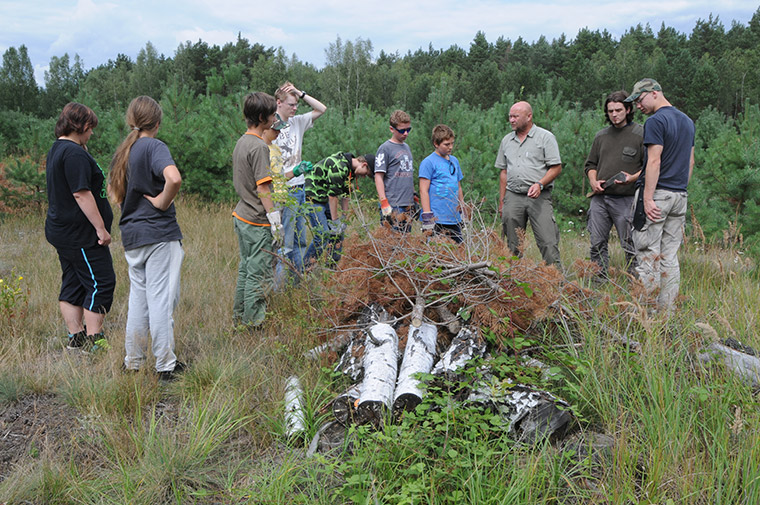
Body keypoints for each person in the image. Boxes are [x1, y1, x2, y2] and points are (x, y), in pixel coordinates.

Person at [108, 96, 185, 381]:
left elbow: (115, 194)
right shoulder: (154, 146)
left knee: (139, 301)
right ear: (156, 121)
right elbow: (174, 179)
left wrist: (133, 210)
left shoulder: (123, 152)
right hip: (158, 234)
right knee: (161, 301)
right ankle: (166, 365)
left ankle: (134, 363)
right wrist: (162, 202)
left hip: (133, 236)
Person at [44, 102, 115, 352]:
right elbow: (81, 194)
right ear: (82, 126)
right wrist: (101, 229)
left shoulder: (57, 149)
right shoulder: (73, 154)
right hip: (80, 234)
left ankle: (76, 339)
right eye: (90, 128)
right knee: (102, 282)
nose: (92, 133)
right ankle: (95, 341)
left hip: (62, 231)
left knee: (73, 282)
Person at [624, 78, 695, 312]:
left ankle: (647, 314)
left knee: (647, 255)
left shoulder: (656, 121)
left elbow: (654, 160)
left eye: (639, 99)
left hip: (657, 195)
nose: (637, 106)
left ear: (654, 93)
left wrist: (647, 198)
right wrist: (680, 189)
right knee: (669, 257)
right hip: (679, 196)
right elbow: (690, 161)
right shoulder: (687, 121)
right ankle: (667, 312)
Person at [584, 90, 644, 278]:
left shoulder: (640, 133)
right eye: (610, 111)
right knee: (596, 242)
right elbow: (590, 165)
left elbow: (650, 166)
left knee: (630, 244)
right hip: (600, 199)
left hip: (626, 199)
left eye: (618, 110)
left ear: (628, 109)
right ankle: (599, 280)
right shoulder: (601, 136)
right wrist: (593, 181)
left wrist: (631, 177)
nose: (614, 114)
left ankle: (635, 282)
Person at [232, 92, 279, 327]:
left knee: (246, 268)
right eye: (272, 115)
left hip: (241, 216)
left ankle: (239, 317)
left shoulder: (242, 141)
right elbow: (263, 187)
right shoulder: (260, 147)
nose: (274, 119)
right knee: (259, 274)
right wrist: (274, 218)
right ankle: (254, 323)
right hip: (256, 220)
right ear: (262, 117)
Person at [496, 101, 562, 266]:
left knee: (548, 242)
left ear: (529, 116)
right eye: (510, 116)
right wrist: (502, 201)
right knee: (512, 245)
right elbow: (503, 172)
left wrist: (540, 184)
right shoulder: (506, 141)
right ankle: (514, 283)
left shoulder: (545, 137)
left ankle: (557, 284)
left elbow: (556, 167)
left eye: (515, 116)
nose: (511, 120)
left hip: (539, 196)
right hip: (513, 196)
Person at [273, 82, 328, 272]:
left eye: (297, 105)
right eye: (291, 104)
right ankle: (279, 291)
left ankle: (296, 286)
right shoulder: (271, 127)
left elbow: (321, 109)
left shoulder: (297, 121)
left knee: (300, 242)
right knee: (285, 244)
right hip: (282, 190)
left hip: (300, 188)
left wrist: (299, 93)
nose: (295, 108)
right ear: (278, 103)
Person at [302, 152, 375, 267]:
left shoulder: (350, 171)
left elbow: (346, 196)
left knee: (338, 234)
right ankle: (305, 268)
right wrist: (335, 221)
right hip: (312, 197)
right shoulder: (340, 167)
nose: (364, 177)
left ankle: (332, 269)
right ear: (364, 164)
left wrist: (344, 219)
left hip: (323, 198)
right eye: (366, 173)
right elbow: (333, 197)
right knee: (323, 234)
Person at [419, 124, 466, 243]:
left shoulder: (454, 161)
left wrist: (463, 208)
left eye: (452, 143)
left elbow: (458, 186)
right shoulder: (428, 162)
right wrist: (427, 216)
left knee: (458, 250)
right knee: (437, 252)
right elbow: (423, 190)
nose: (450, 147)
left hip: (453, 217)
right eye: (446, 144)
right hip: (437, 217)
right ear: (436, 143)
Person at [375, 109, 415, 233]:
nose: (406, 133)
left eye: (408, 130)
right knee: (392, 244)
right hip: (393, 204)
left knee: (406, 243)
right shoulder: (385, 148)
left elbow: (408, 173)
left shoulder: (406, 147)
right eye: (402, 130)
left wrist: (414, 196)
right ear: (392, 129)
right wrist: (384, 202)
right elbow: (378, 177)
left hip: (407, 204)